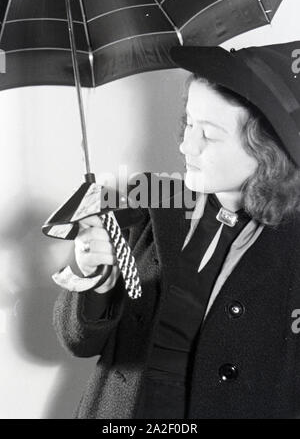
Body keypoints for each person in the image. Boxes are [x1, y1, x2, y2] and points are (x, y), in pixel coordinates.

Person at [53, 41, 300, 419]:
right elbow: (79, 342)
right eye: (188, 122)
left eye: (210, 135)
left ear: (266, 150)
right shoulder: (147, 203)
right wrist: (94, 276)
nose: (186, 145)